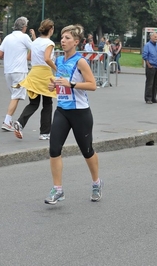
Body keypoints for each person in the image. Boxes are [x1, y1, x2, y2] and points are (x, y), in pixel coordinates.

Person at [44, 24, 102, 205]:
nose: (63, 40)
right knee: (54, 149)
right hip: (62, 110)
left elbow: (92, 85)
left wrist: (71, 84)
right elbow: (61, 82)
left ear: (76, 42)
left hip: (80, 112)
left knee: (87, 150)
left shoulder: (80, 61)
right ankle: (58, 190)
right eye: (62, 37)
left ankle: (96, 183)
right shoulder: (60, 60)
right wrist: (54, 85)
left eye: (67, 38)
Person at [13, 19, 56, 140]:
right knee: (47, 104)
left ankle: (20, 122)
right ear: (51, 29)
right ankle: (44, 133)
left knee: (33, 103)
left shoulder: (35, 42)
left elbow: (29, 57)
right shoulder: (50, 43)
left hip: (34, 73)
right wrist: (56, 68)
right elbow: (47, 59)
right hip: (45, 75)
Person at [0, 16, 36, 131]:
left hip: (8, 71)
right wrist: (34, 38)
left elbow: (1, 54)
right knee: (16, 96)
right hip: (19, 70)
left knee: (13, 96)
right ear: (24, 27)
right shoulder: (24, 37)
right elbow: (35, 48)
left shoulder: (7, 38)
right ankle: (7, 121)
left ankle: (8, 121)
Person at [142, 32, 157, 104]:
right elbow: (145, 56)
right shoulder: (147, 45)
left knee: (155, 84)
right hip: (150, 66)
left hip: (156, 67)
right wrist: (148, 65)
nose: (156, 38)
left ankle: (154, 98)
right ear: (151, 37)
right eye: (155, 36)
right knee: (150, 83)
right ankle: (148, 98)